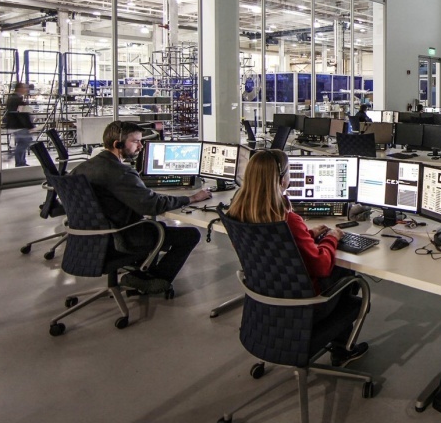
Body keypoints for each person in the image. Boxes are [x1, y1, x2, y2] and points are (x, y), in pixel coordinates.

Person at [227, 149, 368, 367]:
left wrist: (307, 235)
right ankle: (342, 348)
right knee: (346, 272)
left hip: (265, 299)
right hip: (303, 304)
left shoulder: (237, 213)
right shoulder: (287, 219)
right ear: (281, 179)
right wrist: (332, 237)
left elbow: (274, 247)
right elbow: (321, 266)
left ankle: (340, 344)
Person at [73, 121, 209, 294]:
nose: (140, 146)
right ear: (118, 144)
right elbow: (152, 206)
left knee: (157, 227)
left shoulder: (80, 169)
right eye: (136, 141)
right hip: (121, 238)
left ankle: (142, 273)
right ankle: (154, 279)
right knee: (190, 234)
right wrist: (191, 198)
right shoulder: (121, 173)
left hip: (89, 239)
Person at [4, 82, 33, 167]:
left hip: (14, 125)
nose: (26, 89)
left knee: (22, 142)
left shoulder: (12, 98)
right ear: (19, 88)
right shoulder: (17, 99)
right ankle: (18, 161)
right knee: (24, 142)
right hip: (19, 125)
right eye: (24, 87)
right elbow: (22, 114)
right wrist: (29, 126)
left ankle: (21, 161)